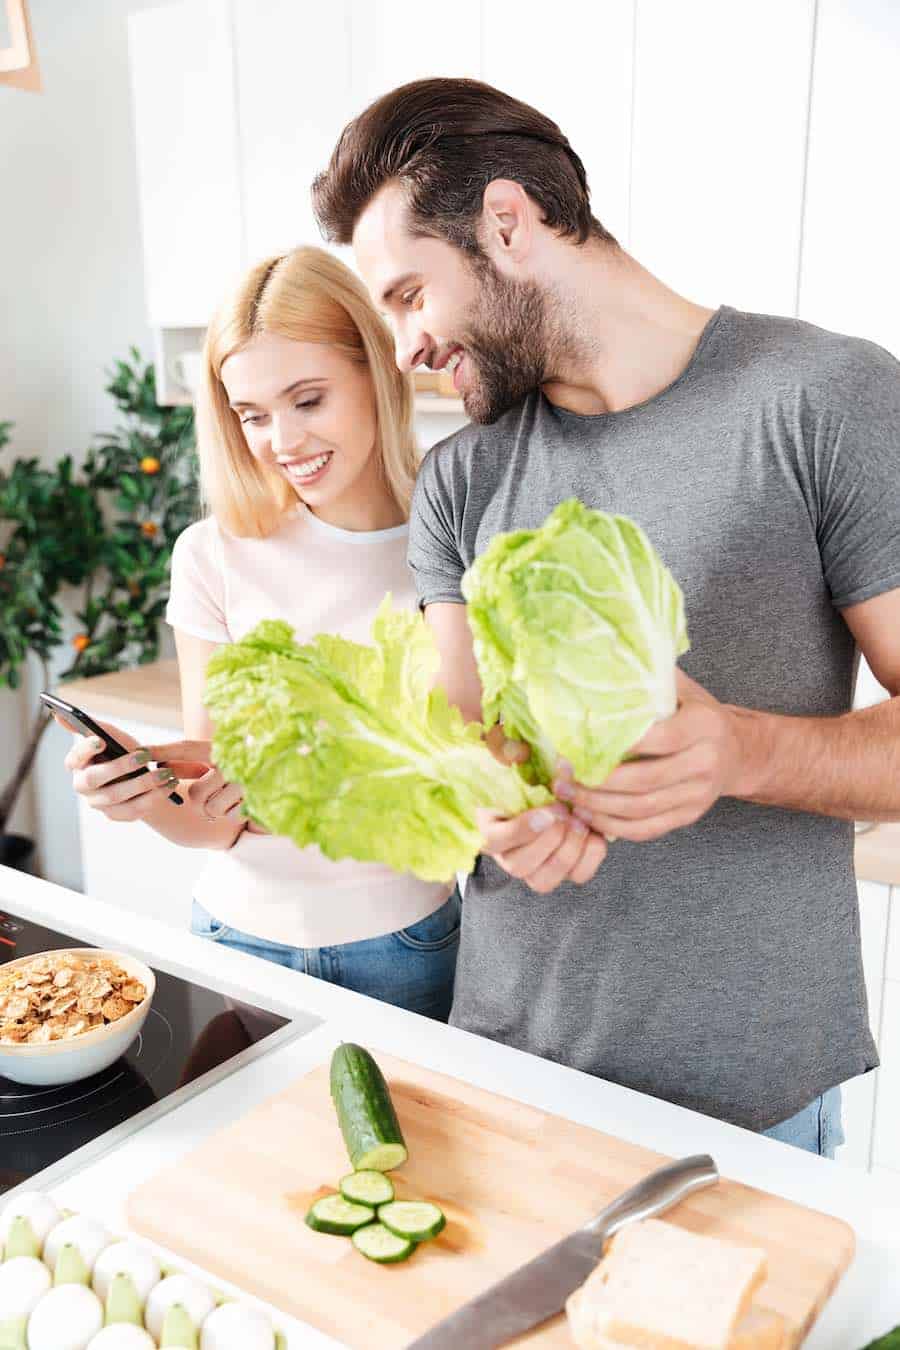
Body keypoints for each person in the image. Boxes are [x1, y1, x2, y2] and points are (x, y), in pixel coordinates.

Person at [311, 77, 900, 1154]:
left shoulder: (825, 399)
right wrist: (490, 809)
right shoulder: (461, 479)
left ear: (506, 221)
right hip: (506, 1068)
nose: (405, 350)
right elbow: (471, 743)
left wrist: (745, 751)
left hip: (750, 1100)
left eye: (408, 296)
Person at [62, 246, 460, 1020]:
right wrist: (140, 797)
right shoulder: (211, 554)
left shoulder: (450, 540)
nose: (282, 441)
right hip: (237, 939)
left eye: (308, 399)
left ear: (375, 372)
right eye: (252, 415)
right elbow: (212, 819)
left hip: (408, 943)